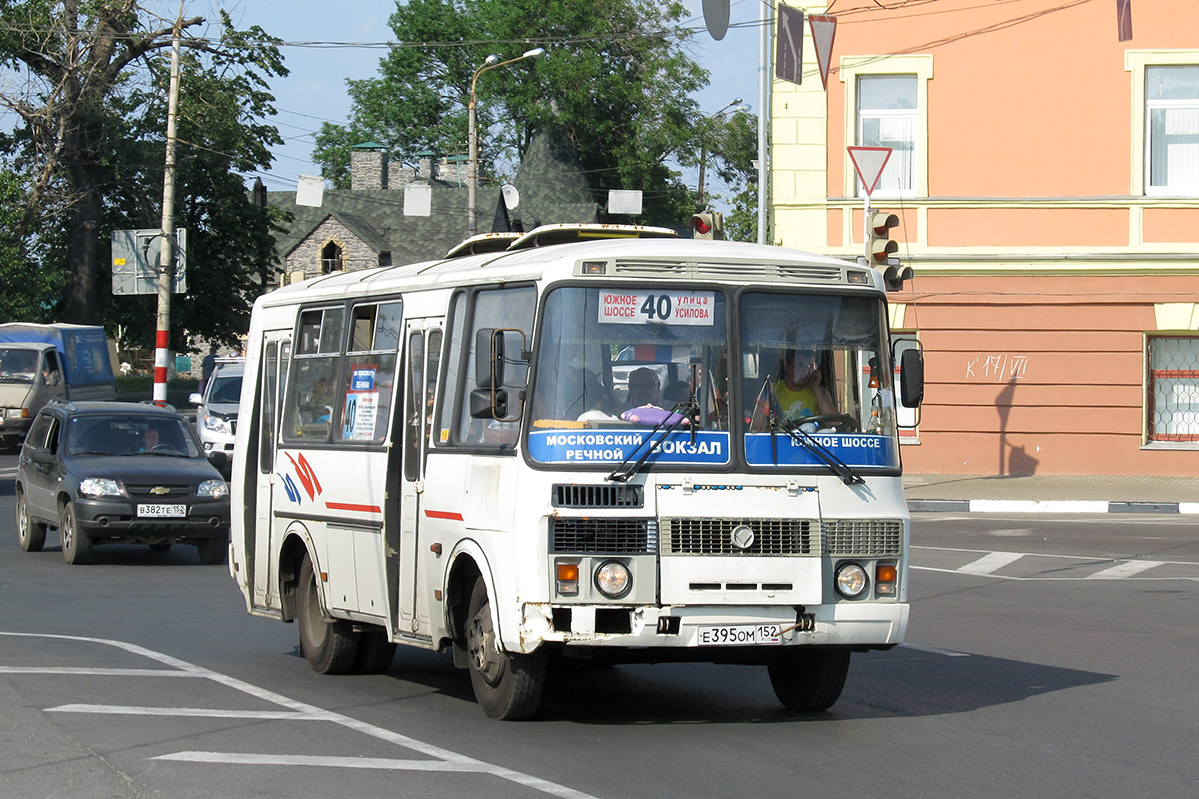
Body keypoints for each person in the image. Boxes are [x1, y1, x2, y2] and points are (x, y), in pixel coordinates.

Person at [773, 349, 835, 421]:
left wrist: (816, 389)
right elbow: (758, 426)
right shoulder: (772, 391)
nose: (805, 371)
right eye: (800, 365)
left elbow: (834, 422)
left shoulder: (821, 393)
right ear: (787, 367)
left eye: (809, 366)